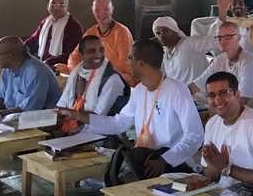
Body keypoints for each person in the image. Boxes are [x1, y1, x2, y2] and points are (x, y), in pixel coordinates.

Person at [60, 39, 203, 181]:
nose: (127, 63)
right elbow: (118, 123)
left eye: (130, 58)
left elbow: (195, 134)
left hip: (172, 161)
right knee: (118, 170)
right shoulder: (140, 90)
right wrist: (79, 116)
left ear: (141, 63)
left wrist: (165, 159)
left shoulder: (177, 90)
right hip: (145, 158)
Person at [189, 21, 253, 114]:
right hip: (230, 108)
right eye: (219, 38)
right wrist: (180, 92)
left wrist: (220, 114)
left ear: (238, 38)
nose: (222, 41)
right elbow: (198, 84)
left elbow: (244, 99)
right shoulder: (220, 59)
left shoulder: (249, 61)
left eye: (228, 37)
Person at [60, 0, 134, 84]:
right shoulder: (91, 31)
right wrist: (77, 71)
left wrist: (98, 73)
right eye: (97, 10)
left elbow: (124, 64)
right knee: (61, 69)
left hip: (116, 75)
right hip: (92, 74)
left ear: (112, 10)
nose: (102, 13)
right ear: (93, 12)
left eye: (106, 9)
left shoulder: (122, 32)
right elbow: (75, 56)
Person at [56, 35, 128, 119]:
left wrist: (68, 114)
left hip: (100, 130)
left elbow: (98, 117)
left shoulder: (112, 79)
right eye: (91, 51)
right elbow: (62, 104)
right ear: (81, 55)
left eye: (101, 50)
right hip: (74, 125)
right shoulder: (75, 73)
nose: (98, 55)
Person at [0, 36, 61, 113]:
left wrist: (0, 114)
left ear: (9, 57)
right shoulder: (7, 69)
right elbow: (0, 96)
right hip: (17, 115)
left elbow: (30, 109)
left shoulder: (36, 73)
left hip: (42, 118)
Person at [24, 0, 84, 69]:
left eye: (61, 5)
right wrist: (21, 48)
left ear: (67, 8)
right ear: (48, 7)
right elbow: (34, 40)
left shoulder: (73, 26)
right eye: (53, 4)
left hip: (61, 67)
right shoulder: (45, 22)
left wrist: (49, 62)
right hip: (42, 62)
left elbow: (72, 53)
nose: (56, 8)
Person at [153, 16, 213, 85]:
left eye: (166, 31)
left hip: (199, 94)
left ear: (175, 30)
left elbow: (218, 41)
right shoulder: (164, 54)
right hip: (178, 93)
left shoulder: (190, 43)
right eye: (158, 33)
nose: (162, 35)